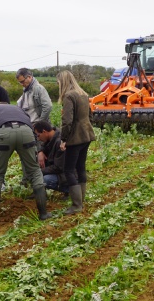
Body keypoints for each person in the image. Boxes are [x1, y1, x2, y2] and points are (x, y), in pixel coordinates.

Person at [0, 103, 52, 223]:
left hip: (4, 133)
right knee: (35, 171)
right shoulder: (19, 109)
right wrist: (38, 149)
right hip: (26, 132)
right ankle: (43, 214)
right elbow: (31, 127)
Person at [57, 70, 96, 215]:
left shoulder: (69, 96)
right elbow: (91, 116)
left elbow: (67, 121)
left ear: (63, 82)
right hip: (86, 135)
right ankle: (81, 200)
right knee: (80, 167)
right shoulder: (83, 94)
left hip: (75, 138)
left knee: (69, 170)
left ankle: (76, 205)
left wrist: (64, 139)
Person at [16, 68, 53, 183]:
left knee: (40, 154)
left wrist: (40, 125)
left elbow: (48, 106)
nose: (22, 84)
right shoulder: (26, 90)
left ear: (29, 77)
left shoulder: (38, 89)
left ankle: (40, 181)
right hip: (27, 127)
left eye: (23, 81)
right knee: (27, 154)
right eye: (20, 82)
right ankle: (27, 179)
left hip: (36, 127)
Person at [34, 120, 69, 197]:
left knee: (45, 180)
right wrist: (40, 152)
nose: (38, 139)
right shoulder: (51, 138)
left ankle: (69, 189)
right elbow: (43, 146)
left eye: (38, 135)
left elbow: (58, 167)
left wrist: (39, 171)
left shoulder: (59, 142)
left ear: (44, 132)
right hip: (60, 173)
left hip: (65, 174)